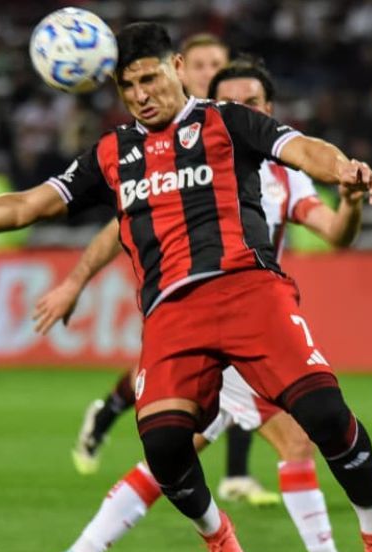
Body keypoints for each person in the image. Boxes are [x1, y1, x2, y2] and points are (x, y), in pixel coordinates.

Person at [0, 23, 372, 552]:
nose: (142, 94)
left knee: (325, 414)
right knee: (166, 445)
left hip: (249, 290)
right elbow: (28, 203)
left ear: (174, 66)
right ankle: (218, 538)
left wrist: (345, 169)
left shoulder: (227, 120)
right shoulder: (111, 152)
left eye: (149, 78)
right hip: (173, 312)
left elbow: (302, 149)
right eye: (128, 87)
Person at [35, 59, 372, 552]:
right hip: (210, 331)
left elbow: (335, 233)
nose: (249, 109)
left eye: (257, 101)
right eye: (236, 99)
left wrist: (352, 202)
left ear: (267, 110)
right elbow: (116, 225)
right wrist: (74, 280)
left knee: (172, 458)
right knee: (288, 442)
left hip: (252, 323)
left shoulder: (286, 175)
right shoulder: (198, 156)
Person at [68, 35, 277, 508]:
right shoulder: (165, 140)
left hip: (247, 287)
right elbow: (121, 221)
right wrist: (76, 280)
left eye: (216, 65)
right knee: (183, 418)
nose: (207, 73)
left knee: (242, 388)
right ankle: (110, 424)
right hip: (177, 284)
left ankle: (233, 479)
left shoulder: (241, 132)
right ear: (181, 68)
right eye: (200, 64)